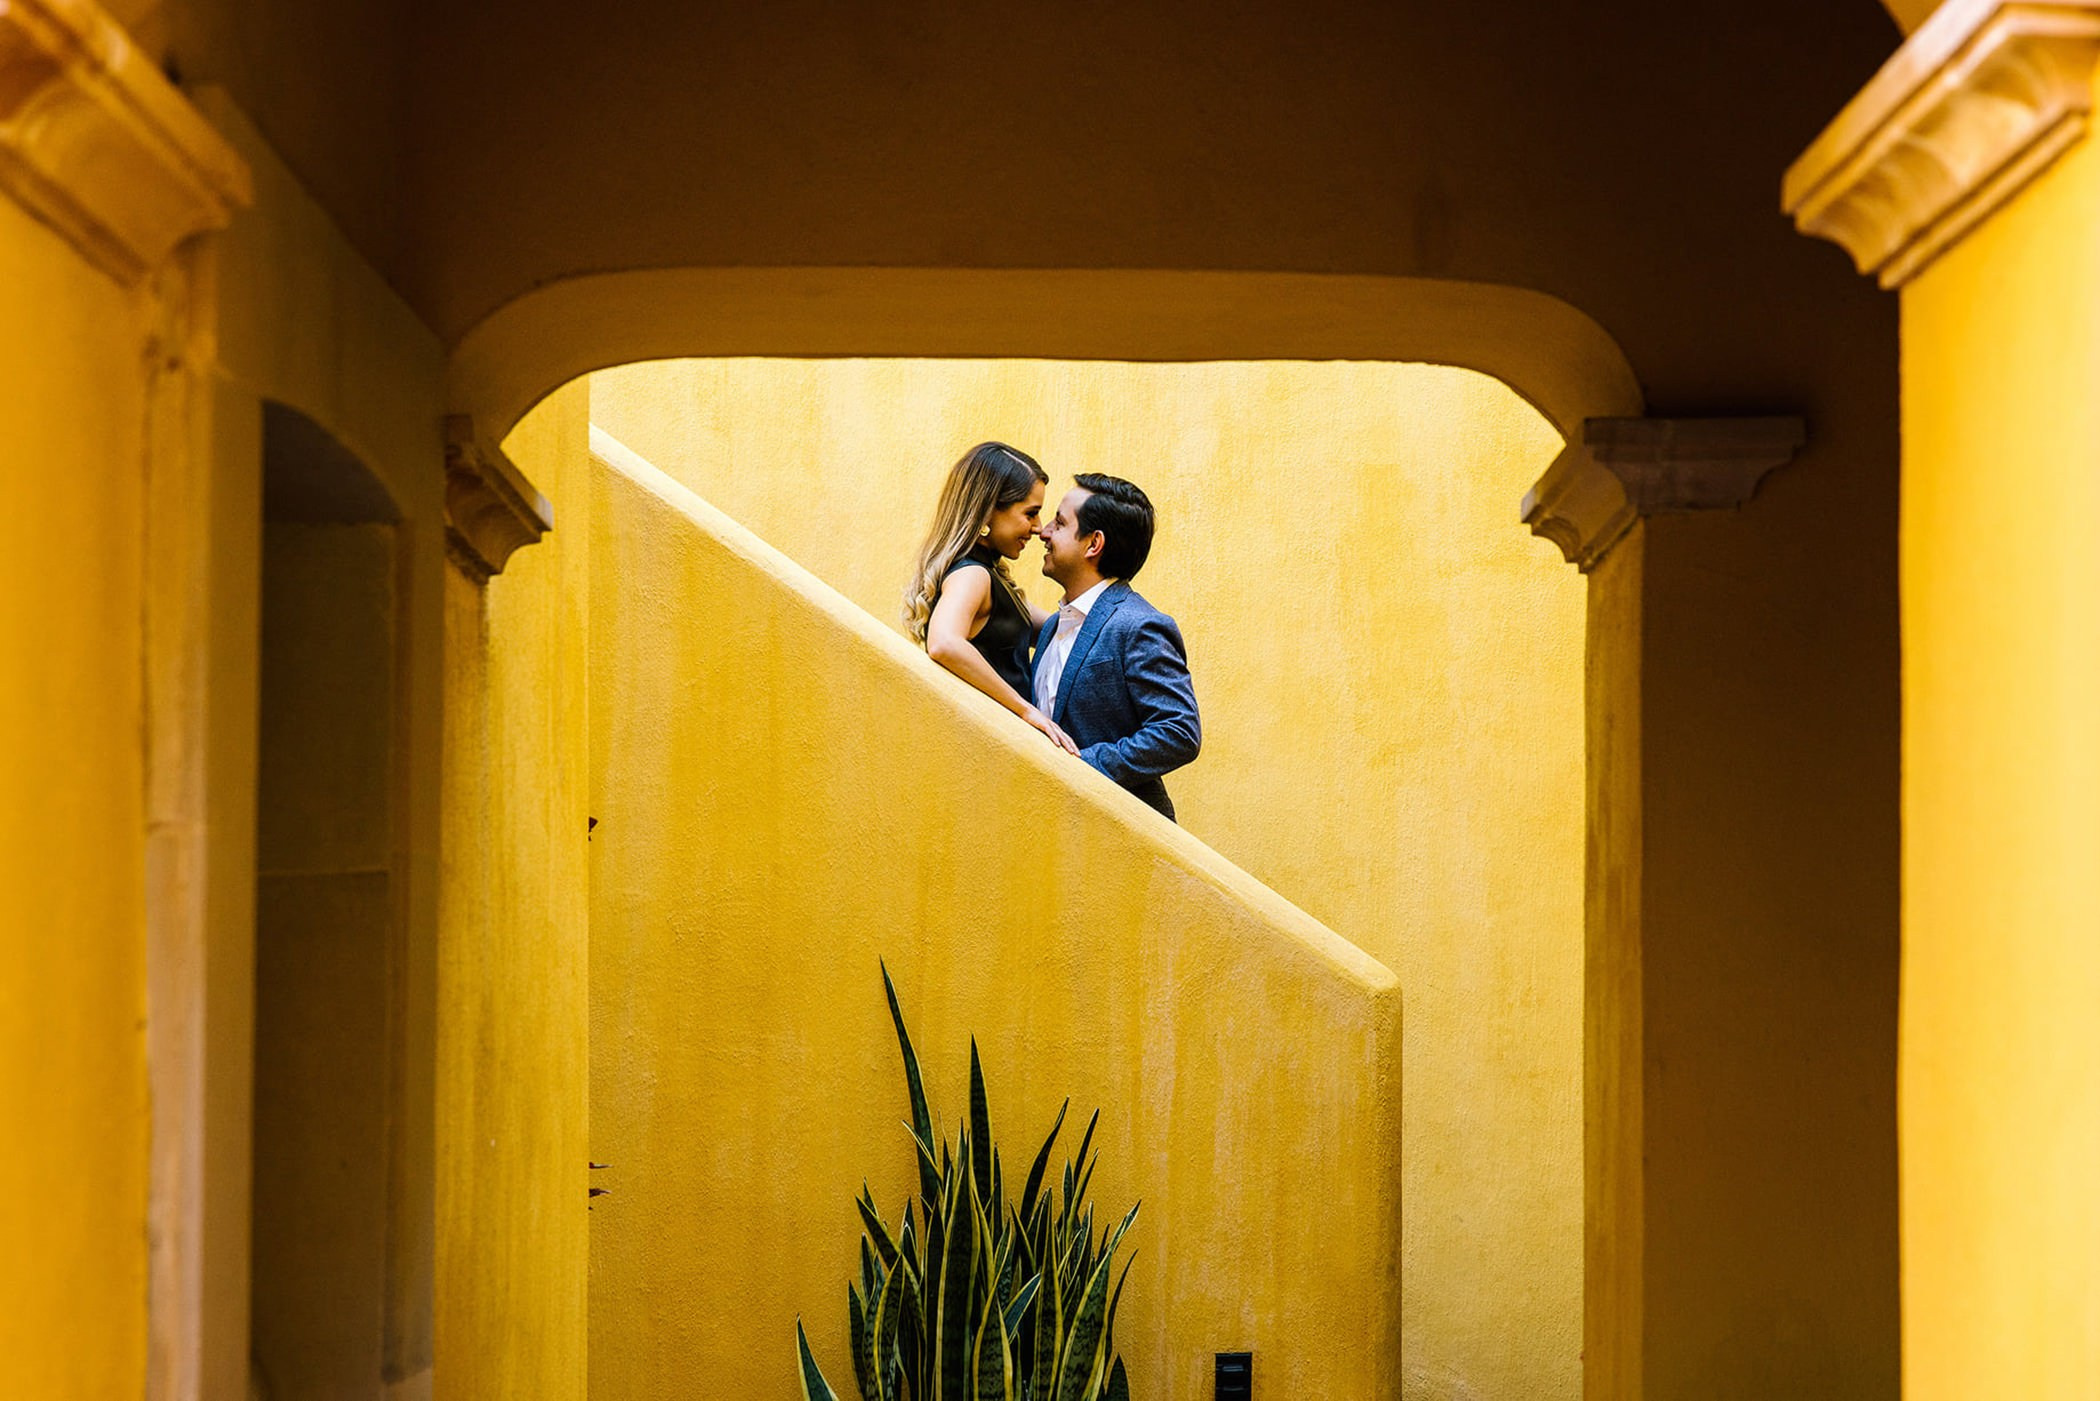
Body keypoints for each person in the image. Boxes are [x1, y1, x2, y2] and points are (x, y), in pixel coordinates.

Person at [1031, 473, 1200, 819]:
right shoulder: (1053, 626)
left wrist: (1078, 766)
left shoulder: (1139, 624)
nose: (1043, 532)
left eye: (1059, 523)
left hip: (1120, 838)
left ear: (1093, 544)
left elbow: (1179, 731)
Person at [904, 442, 1079, 754]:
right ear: (988, 511)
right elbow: (944, 642)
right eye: (1031, 514)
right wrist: (1026, 710)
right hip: (989, 750)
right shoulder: (973, 576)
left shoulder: (990, 575)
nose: (1038, 529)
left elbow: (1056, 627)